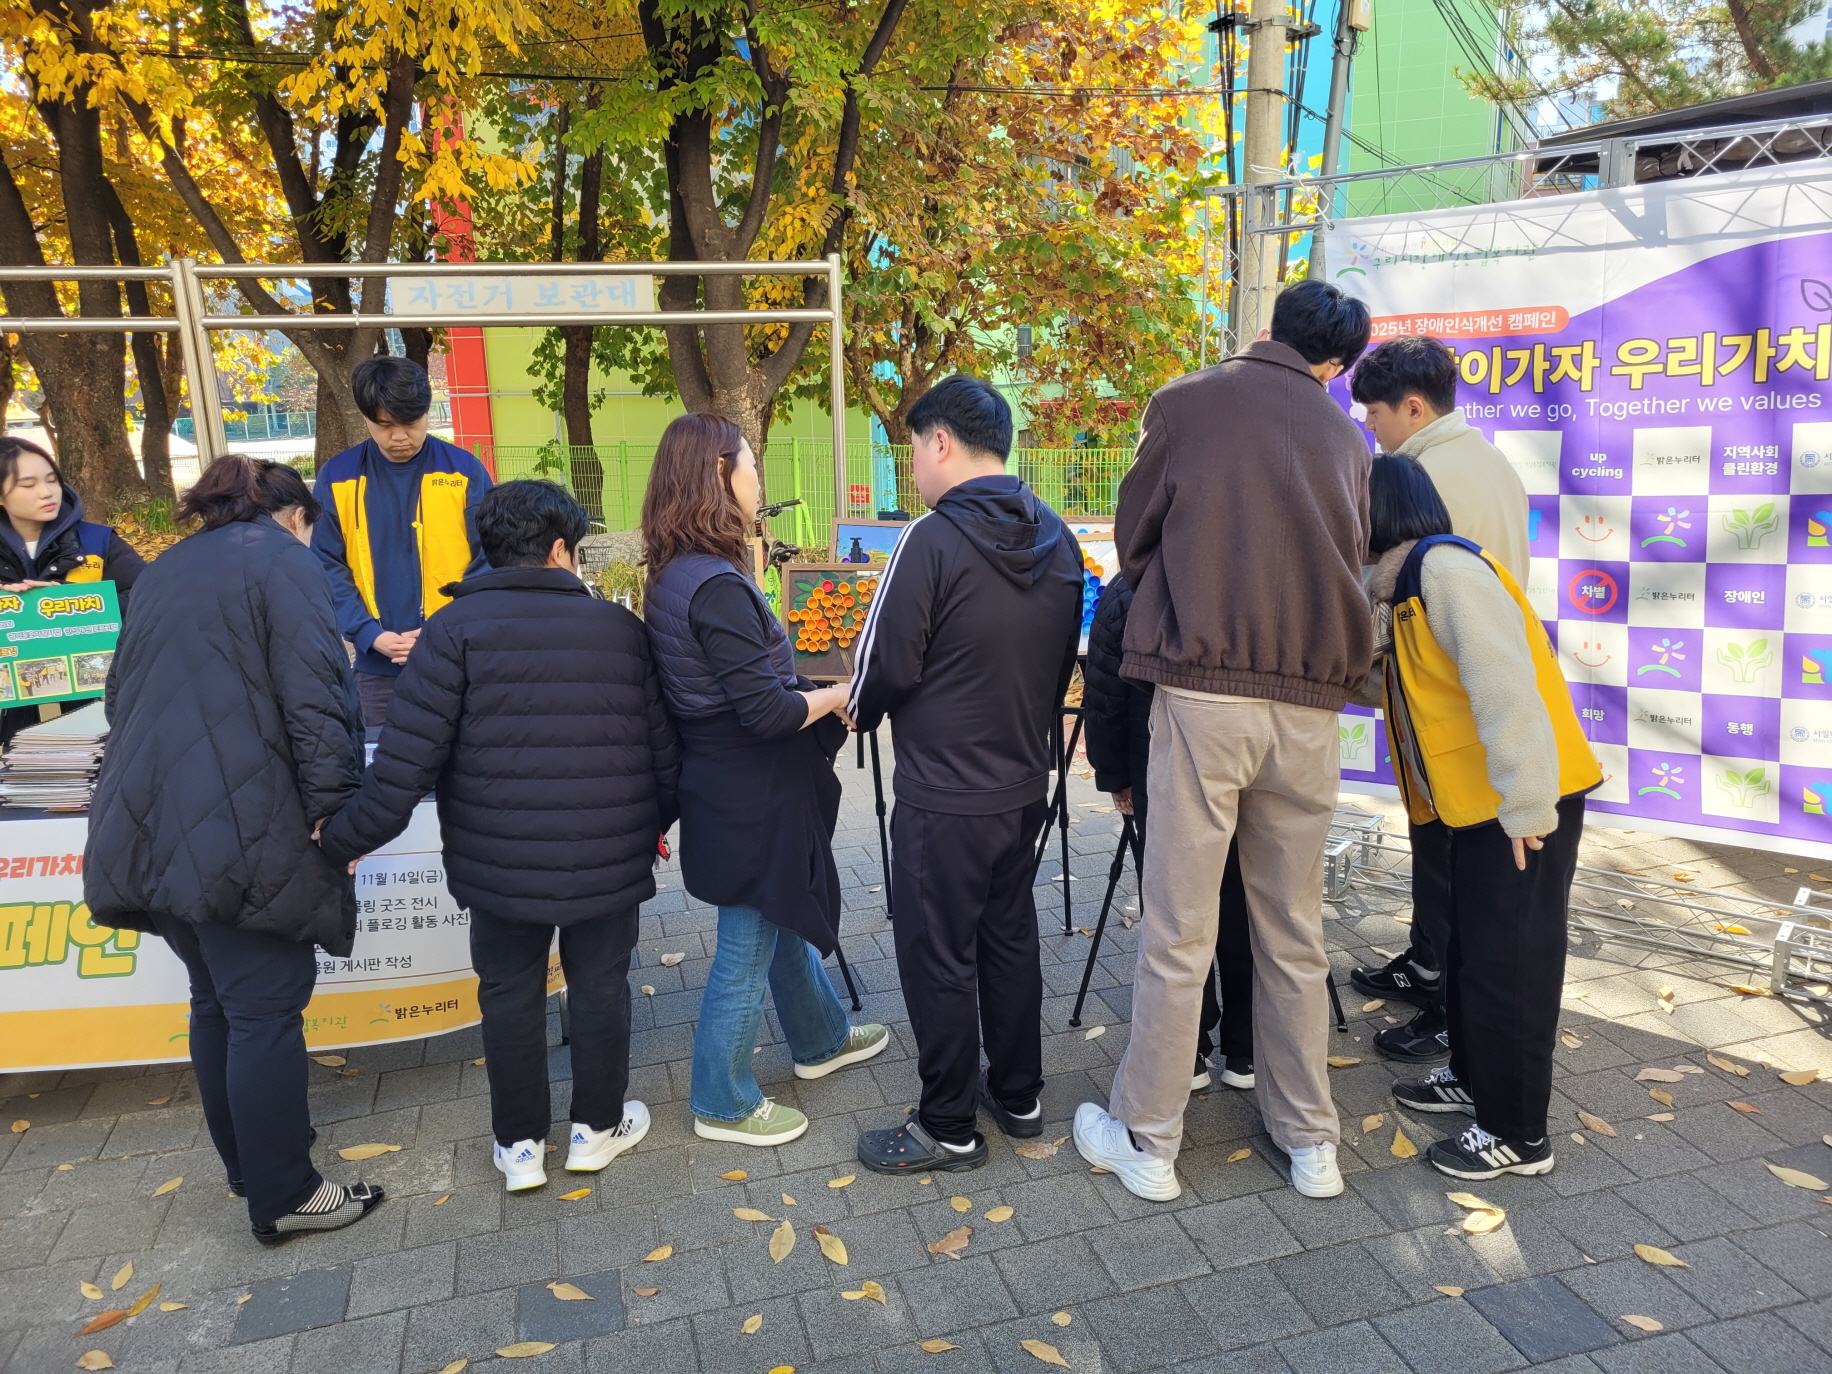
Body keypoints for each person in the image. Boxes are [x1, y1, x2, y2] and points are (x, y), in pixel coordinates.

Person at [1075, 279, 1374, 1203]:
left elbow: (1134, 539)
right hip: (1311, 706)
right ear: (1335, 365)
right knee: (1293, 930)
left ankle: (1150, 1138)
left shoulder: (1188, 400)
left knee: (1178, 929)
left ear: (1266, 329)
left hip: (1205, 694)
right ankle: (1311, 1141)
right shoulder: (1346, 436)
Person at [317, 480, 681, 1192]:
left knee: (508, 993)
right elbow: (664, 757)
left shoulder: (452, 631)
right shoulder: (618, 630)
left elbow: (403, 769)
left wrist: (336, 840)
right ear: (558, 550)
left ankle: (519, 1148)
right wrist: (650, 827)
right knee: (600, 986)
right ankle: (595, 1131)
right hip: (607, 859)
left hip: (499, 867)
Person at [85, 455, 382, 1245]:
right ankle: (287, 1191)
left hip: (146, 822)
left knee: (216, 1002)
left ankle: (251, 1165)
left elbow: (118, 697)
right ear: (294, 517)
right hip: (242, 827)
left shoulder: (164, 570)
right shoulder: (283, 563)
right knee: (264, 1010)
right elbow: (319, 701)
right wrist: (337, 815)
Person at [848, 375, 1083, 1175]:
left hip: (942, 794)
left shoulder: (930, 538)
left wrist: (860, 711)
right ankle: (1018, 1093)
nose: (912, 462)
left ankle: (947, 1124)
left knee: (938, 951)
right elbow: (1060, 671)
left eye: (911, 446)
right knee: (1008, 936)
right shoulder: (1058, 538)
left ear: (940, 441)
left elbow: (881, 664)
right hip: (1023, 782)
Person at [641, 414, 888, 1148]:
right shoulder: (715, 586)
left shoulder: (678, 573)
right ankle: (721, 1100)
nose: (759, 483)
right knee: (747, 943)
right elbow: (767, 711)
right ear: (718, 476)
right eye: (751, 468)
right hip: (750, 787)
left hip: (727, 781)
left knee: (775, 918)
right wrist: (838, 693)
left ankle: (819, 1040)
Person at [1364, 454, 1599, 1179]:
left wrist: (1527, 802)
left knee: (1513, 967)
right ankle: (1472, 1077)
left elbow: (1506, 686)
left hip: (1523, 806)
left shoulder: (1445, 572)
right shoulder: (1403, 588)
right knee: (1469, 953)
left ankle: (1519, 1132)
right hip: (1476, 809)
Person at [1347, 336, 1533, 1067]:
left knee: (1454, 848)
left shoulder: (1423, 475)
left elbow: (1397, 595)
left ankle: (1449, 1011)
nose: (1371, 428)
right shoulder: (1488, 461)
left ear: (1413, 406)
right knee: (1439, 843)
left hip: (1443, 695)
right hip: (1448, 691)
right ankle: (1428, 965)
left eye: (1375, 415)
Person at [1083, 572, 1254, 1094]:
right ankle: (1245, 1048)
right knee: (1240, 902)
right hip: (1241, 766)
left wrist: (1116, 777)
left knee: (1175, 912)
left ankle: (1190, 1048)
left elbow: (1105, 690)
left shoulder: (1134, 582)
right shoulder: (1244, 572)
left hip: (1158, 768)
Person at [311, 355, 493, 727]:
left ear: (427, 411)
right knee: (382, 772)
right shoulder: (338, 476)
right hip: (377, 666)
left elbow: (491, 558)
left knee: (466, 772)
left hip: (456, 657)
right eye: (384, 425)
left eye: (410, 423)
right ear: (366, 418)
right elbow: (326, 564)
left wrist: (442, 629)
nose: (398, 437)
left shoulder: (464, 470)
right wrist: (368, 634)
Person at [0, 436, 147, 738]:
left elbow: (150, 596)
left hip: (98, 703)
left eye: (52, 480)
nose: (47, 492)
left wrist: (73, 605)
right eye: (28, 485)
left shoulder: (98, 542)